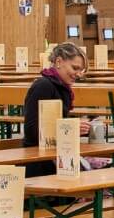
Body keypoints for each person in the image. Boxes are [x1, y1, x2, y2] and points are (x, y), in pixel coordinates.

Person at [21, 43, 93, 176]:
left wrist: (80, 128)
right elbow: (32, 130)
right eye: (75, 68)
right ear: (59, 62)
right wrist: (70, 129)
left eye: (80, 70)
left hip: (55, 153)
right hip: (39, 158)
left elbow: (55, 122)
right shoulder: (43, 86)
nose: (78, 74)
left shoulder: (61, 87)